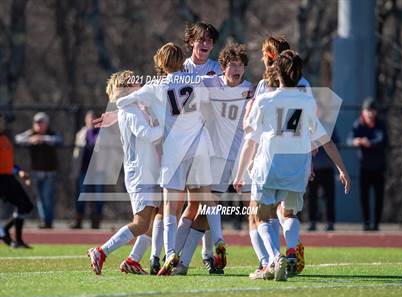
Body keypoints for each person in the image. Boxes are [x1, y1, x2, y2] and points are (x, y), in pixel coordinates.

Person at [234, 50, 350, 281]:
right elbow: (324, 140)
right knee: (290, 214)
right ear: (299, 75)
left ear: (276, 72)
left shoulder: (265, 100)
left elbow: (251, 141)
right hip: (296, 169)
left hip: (269, 166)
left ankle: (275, 259)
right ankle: (290, 252)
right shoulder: (307, 101)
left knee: (262, 217)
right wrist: (342, 168)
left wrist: (239, 173)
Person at [116, 43, 225, 276]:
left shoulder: (157, 85)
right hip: (199, 148)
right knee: (206, 198)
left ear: (161, 63)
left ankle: (170, 252)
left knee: (169, 206)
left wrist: (135, 104)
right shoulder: (196, 81)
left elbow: (121, 102)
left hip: (174, 152)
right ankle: (218, 240)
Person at [171, 42, 253, 275]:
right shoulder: (209, 82)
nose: (236, 69)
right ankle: (183, 257)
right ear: (223, 67)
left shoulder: (251, 90)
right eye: (232, 65)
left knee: (204, 210)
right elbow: (176, 86)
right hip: (207, 155)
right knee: (200, 208)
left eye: (240, 65)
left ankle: (178, 259)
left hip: (232, 159)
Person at [243, 36, 310, 279]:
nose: (262, 58)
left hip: (266, 158)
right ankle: (290, 248)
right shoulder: (304, 84)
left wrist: (246, 162)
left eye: (264, 54)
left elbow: (248, 126)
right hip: (296, 159)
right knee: (287, 212)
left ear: (272, 56)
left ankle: (268, 262)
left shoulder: (264, 86)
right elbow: (311, 129)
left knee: (258, 213)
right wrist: (309, 160)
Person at [87, 70, 162, 275]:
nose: (138, 81)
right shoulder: (131, 110)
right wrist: (169, 127)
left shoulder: (131, 108)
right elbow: (147, 134)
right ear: (124, 88)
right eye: (132, 81)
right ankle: (101, 251)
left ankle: (133, 260)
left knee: (152, 217)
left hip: (147, 171)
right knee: (140, 223)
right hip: (140, 173)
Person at [15, 112, 62, 229]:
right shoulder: (31, 133)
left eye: (42, 122)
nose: (39, 125)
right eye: (37, 123)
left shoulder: (51, 133)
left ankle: (48, 222)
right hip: (36, 172)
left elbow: (59, 139)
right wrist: (32, 139)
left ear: (47, 123)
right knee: (40, 198)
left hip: (50, 172)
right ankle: (44, 221)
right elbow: (18, 138)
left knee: (47, 197)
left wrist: (43, 139)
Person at [348, 98, 388, 231]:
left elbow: (382, 139)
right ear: (363, 112)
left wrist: (369, 143)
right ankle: (366, 222)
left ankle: (376, 223)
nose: (370, 113)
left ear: (375, 112)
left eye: (372, 110)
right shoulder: (358, 124)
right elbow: (350, 139)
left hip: (378, 167)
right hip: (364, 167)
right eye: (367, 110)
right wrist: (357, 141)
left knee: (378, 197)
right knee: (364, 196)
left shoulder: (380, 124)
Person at [0, 112, 34, 248]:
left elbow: (9, 162)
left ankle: (11, 234)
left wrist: (19, 172)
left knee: (26, 206)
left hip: (8, 178)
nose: (1, 123)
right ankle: (6, 234)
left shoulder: (5, 139)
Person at [71, 111, 104, 229]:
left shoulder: (103, 132)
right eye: (89, 118)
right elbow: (76, 152)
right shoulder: (81, 133)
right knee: (81, 195)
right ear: (85, 120)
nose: (91, 120)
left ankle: (96, 221)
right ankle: (78, 220)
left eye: (93, 118)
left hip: (98, 170)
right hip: (84, 169)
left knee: (99, 196)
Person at [307, 131, 340, 232]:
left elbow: (335, 144)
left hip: (327, 167)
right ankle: (312, 221)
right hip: (313, 168)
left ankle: (330, 222)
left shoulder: (329, 126)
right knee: (312, 196)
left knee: (329, 196)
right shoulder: (307, 126)